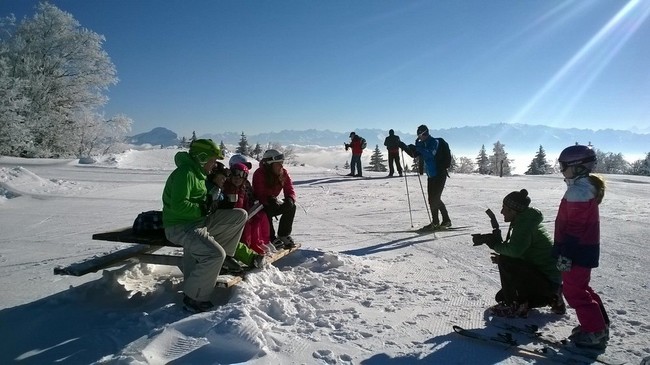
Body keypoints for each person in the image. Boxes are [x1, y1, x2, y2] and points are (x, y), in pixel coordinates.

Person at [162, 139, 247, 313]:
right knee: (215, 255)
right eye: (212, 160)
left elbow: (200, 201)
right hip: (180, 226)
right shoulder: (185, 173)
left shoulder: (198, 174)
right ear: (202, 158)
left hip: (197, 222)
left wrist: (212, 202)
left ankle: (220, 263)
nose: (214, 164)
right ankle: (194, 297)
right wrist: (204, 208)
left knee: (240, 216)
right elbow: (179, 206)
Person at [473, 189, 565, 318]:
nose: (501, 212)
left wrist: (496, 246)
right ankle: (552, 297)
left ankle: (514, 305)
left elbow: (515, 251)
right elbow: (523, 251)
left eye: (504, 208)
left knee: (506, 261)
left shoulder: (524, 225)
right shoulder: (526, 221)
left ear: (513, 210)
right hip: (548, 278)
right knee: (501, 296)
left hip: (547, 279)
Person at [554, 144, 610, 349]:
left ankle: (594, 331)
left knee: (574, 292)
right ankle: (599, 326)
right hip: (584, 247)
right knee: (581, 288)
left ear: (578, 166)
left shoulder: (578, 191)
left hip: (576, 249)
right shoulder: (584, 187)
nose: (561, 170)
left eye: (563, 166)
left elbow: (575, 227)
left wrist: (566, 252)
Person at [207, 161, 267, 268]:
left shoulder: (242, 190)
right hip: (223, 222)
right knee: (230, 239)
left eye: (242, 175)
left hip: (237, 222)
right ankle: (250, 258)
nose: (238, 177)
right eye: (235, 173)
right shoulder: (222, 187)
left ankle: (250, 254)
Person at [400, 124, 452, 230]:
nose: (419, 137)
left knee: (435, 199)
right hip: (431, 175)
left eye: (420, 135)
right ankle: (442, 221)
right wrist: (403, 146)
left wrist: (418, 147)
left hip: (439, 174)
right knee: (432, 199)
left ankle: (440, 221)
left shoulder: (434, 142)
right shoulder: (423, 143)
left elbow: (430, 154)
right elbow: (414, 154)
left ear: (425, 133)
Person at [223, 161, 274, 255]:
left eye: (240, 177)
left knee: (258, 218)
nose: (237, 179)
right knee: (246, 226)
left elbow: (246, 203)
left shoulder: (242, 190)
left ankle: (258, 243)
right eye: (234, 177)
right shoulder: (226, 188)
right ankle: (246, 247)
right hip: (230, 219)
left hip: (241, 216)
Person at [252, 149, 297, 249]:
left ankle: (283, 234)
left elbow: (289, 189)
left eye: (282, 163)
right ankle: (270, 237)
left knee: (291, 206)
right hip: (261, 205)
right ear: (269, 164)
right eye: (278, 164)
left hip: (273, 202)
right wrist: (269, 200)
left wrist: (290, 199)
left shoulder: (283, 173)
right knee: (266, 210)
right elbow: (259, 193)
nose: (281, 166)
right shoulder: (259, 174)